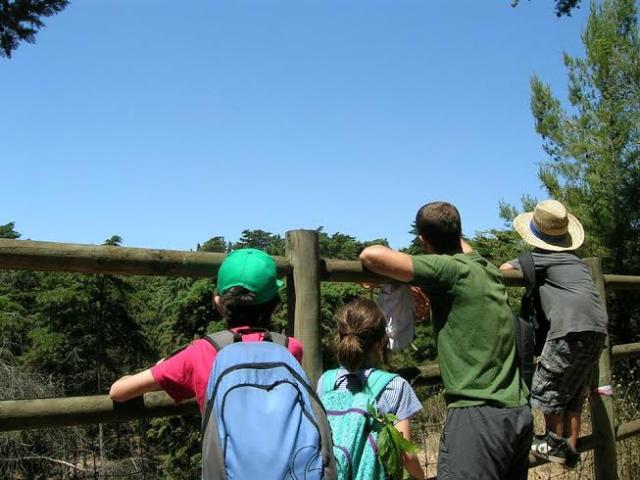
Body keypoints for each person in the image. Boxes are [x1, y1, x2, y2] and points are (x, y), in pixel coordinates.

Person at [360, 201, 532, 480]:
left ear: (422, 239)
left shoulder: (447, 270)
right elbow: (461, 246)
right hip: (517, 412)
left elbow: (371, 255)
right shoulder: (485, 268)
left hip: (477, 417)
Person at [109, 248, 303, 409]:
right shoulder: (290, 348)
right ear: (275, 305)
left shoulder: (201, 352)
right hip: (292, 456)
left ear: (218, 303)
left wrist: (160, 366)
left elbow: (119, 392)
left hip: (226, 456)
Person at [500, 199, 608, 467]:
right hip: (597, 329)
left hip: (569, 329)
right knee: (572, 389)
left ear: (536, 233)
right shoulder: (575, 262)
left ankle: (553, 443)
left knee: (545, 385)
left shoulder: (539, 259)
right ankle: (570, 448)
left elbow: (503, 271)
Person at [318, 297, 426, 480]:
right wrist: (420, 477)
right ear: (380, 343)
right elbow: (406, 453)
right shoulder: (395, 386)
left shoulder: (325, 382)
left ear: (340, 336)